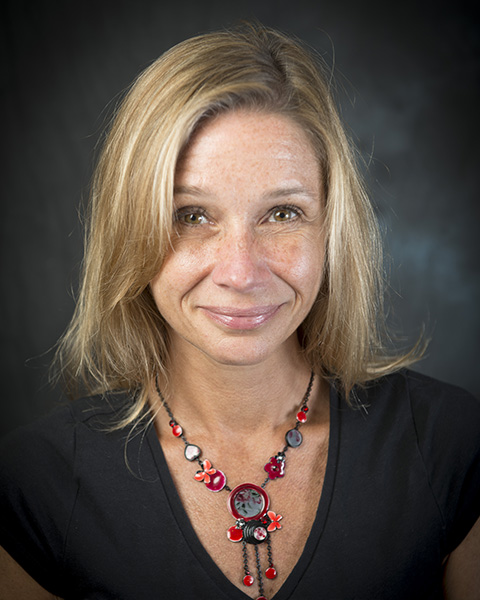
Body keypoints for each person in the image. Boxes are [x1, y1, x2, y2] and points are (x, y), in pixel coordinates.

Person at [0, 23, 479, 600]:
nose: (241, 272)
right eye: (191, 216)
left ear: (332, 227)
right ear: (130, 228)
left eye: (282, 213)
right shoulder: (36, 482)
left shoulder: (451, 443)